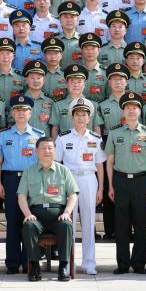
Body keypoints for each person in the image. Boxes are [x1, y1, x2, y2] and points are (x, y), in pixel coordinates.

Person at [105, 92, 146, 274]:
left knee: (141, 224)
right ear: (123, 111)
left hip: (141, 181)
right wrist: (110, 185)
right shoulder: (114, 133)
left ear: (140, 110)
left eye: (134, 108)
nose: (131, 111)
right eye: (128, 108)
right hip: (120, 181)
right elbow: (110, 160)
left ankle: (139, 263)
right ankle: (123, 264)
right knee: (121, 225)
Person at [54, 97, 105, 275]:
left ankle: (89, 262)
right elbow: (57, 163)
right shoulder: (63, 138)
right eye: (77, 114)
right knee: (69, 222)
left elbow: (100, 165)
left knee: (89, 222)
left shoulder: (96, 139)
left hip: (89, 179)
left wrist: (101, 188)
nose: (81, 118)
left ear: (89, 118)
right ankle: (68, 262)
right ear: (72, 117)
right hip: (69, 180)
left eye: (84, 114)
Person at [0, 95, 45, 274]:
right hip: (10, 180)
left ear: (31, 113)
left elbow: (44, 162)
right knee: (13, 221)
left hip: (31, 180)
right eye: (17, 110)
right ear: (12, 113)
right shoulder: (2, 136)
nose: (21, 113)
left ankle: (29, 261)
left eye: (24, 110)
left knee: (30, 221)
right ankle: (13, 263)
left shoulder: (39, 136)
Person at [18, 137, 79, 281]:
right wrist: (27, 214)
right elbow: (21, 196)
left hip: (58, 215)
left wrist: (67, 212)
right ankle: (34, 265)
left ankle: (63, 266)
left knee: (66, 225)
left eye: (50, 148)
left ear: (55, 151)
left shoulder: (63, 170)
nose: (47, 151)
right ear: (36, 151)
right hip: (36, 215)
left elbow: (73, 195)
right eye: (43, 148)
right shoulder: (29, 171)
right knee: (28, 226)